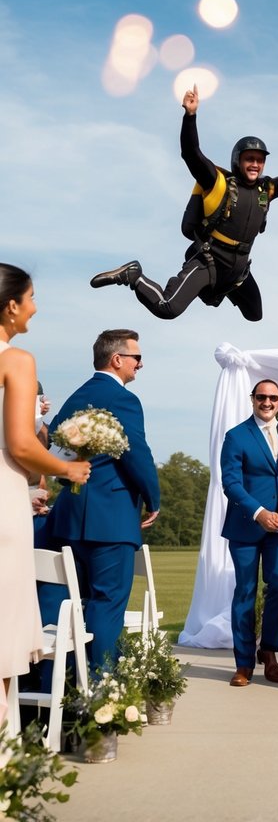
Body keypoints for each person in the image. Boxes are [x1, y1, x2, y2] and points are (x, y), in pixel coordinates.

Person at [89, 85, 278, 321]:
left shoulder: (266, 188)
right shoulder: (217, 182)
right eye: (249, 159)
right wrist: (190, 116)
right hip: (209, 261)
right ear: (237, 161)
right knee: (167, 308)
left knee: (254, 314)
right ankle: (134, 276)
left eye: (260, 161)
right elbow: (191, 153)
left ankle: (216, 290)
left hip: (237, 270)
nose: (255, 164)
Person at [0, 265, 89, 718]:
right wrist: (66, 468)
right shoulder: (16, 360)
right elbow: (19, 444)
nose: (35, 306)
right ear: (12, 305)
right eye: (31, 297)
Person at [49, 329, 160, 671]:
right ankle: (103, 694)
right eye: (136, 357)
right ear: (117, 360)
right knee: (107, 604)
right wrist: (154, 497)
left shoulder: (77, 395)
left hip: (69, 516)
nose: (141, 364)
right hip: (110, 520)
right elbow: (136, 453)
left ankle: (67, 687)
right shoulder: (123, 399)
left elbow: (54, 448)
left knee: (73, 605)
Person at [220, 380, 278, 688]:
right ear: (252, 399)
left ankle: (269, 650)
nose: (267, 402)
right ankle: (243, 663)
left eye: (273, 398)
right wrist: (258, 513)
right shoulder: (237, 436)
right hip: (245, 526)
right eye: (261, 397)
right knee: (245, 591)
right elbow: (230, 482)